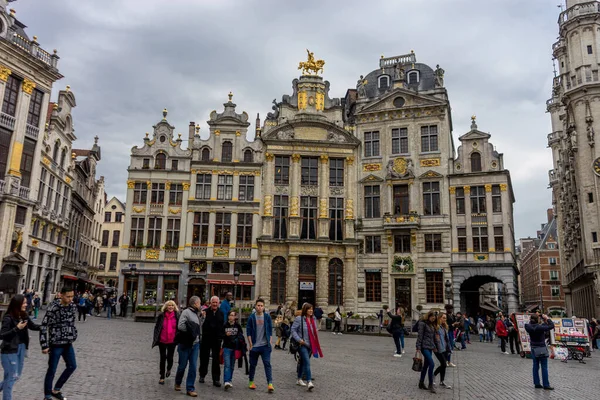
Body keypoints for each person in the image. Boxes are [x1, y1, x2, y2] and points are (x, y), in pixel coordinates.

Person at [0, 294, 41, 399]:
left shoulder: (24, 315)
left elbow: (33, 326)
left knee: (14, 376)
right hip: (9, 350)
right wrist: (16, 328)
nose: (26, 304)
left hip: (21, 348)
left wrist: (46, 326)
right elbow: (2, 335)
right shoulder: (8, 317)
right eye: (24, 303)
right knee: (12, 377)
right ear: (17, 304)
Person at [40, 287, 78, 400]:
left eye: (72, 296)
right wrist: (44, 344)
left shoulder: (73, 306)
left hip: (68, 342)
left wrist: (73, 334)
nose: (70, 299)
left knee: (72, 366)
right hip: (55, 343)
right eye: (68, 296)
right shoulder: (53, 308)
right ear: (61, 295)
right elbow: (44, 326)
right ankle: (47, 396)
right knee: (52, 369)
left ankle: (56, 390)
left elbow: (71, 323)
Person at [174, 296, 203, 397]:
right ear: (195, 303)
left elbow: (199, 328)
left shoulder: (198, 313)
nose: (201, 305)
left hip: (195, 344)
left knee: (193, 367)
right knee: (182, 366)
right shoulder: (186, 312)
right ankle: (178, 382)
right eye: (199, 303)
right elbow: (180, 326)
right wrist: (192, 331)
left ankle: (190, 388)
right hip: (185, 343)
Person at [291, 303, 323, 392]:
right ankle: (309, 382)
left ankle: (299, 379)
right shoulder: (299, 319)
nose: (311, 311)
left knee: (302, 362)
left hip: (311, 345)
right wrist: (299, 339)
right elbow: (293, 330)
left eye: (312, 309)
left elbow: (314, 331)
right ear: (305, 310)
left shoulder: (313, 319)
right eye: (309, 309)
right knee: (307, 362)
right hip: (302, 344)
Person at [246, 298, 274, 392]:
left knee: (267, 364)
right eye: (258, 305)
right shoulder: (252, 317)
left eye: (261, 306)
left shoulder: (267, 317)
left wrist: (270, 342)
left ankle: (270, 383)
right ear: (255, 306)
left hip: (265, 346)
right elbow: (248, 331)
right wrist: (250, 344)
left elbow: (270, 330)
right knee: (253, 365)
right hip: (255, 346)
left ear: (264, 307)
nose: (260, 307)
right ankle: (251, 381)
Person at [199, 296, 224, 387]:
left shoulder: (221, 313)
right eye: (213, 302)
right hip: (206, 338)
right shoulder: (205, 312)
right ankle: (202, 375)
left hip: (217, 340)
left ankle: (216, 379)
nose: (214, 304)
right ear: (210, 303)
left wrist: (221, 337)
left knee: (216, 359)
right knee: (204, 358)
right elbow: (200, 323)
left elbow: (222, 326)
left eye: (216, 303)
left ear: (218, 303)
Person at [153, 300, 180, 385]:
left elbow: (179, 327)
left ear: (174, 307)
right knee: (162, 358)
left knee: (170, 357)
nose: (170, 307)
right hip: (163, 339)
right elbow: (157, 327)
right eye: (169, 305)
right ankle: (162, 376)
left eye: (172, 305)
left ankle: (169, 368)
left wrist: (178, 338)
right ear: (166, 307)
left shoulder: (177, 316)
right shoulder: (161, 316)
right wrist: (155, 337)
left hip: (172, 340)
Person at [525, 314, 555, 390]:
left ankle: (537, 383)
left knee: (535, 365)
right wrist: (547, 319)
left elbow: (536, 325)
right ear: (537, 319)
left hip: (533, 347)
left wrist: (543, 321)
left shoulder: (528, 326)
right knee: (544, 366)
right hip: (541, 348)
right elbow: (551, 326)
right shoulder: (540, 327)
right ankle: (546, 384)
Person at [416, 311, 439, 393]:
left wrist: (436, 347)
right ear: (428, 316)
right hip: (424, 347)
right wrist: (418, 347)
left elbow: (433, 337)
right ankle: (430, 384)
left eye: (434, 318)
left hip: (430, 347)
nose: (433, 319)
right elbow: (420, 335)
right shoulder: (423, 323)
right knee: (431, 364)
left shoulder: (431, 324)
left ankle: (421, 383)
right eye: (432, 317)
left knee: (426, 366)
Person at [222, 310, 245, 390]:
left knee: (231, 365)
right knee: (227, 365)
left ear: (235, 317)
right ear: (228, 316)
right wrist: (225, 334)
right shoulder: (225, 325)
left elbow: (241, 336)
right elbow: (220, 335)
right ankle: (226, 381)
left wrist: (237, 340)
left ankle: (230, 380)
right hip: (226, 347)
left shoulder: (237, 326)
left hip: (235, 348)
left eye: (233, 315)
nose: (231, 317)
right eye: (230, 315)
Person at [434, 313, 452, 389]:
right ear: (439, 318)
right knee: (444, 364)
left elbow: (446, 340)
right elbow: (435, 339)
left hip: (445, 348)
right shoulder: (436, 327)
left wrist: (449, 349)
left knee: (443, 366)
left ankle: (442, 381)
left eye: (445, 318)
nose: (445, 319)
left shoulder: (444, 327)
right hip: (438, 349)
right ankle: (433, 375)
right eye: (443, 318)